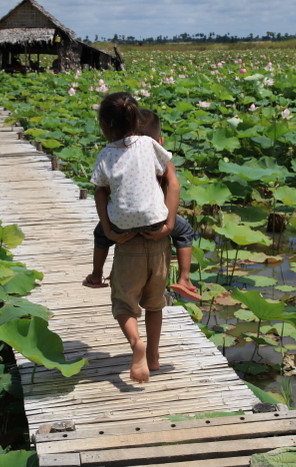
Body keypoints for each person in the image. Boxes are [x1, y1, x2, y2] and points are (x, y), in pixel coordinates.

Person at [89, 92, 172, 383]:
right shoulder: (150, 144)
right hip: (159, 234)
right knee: (155, 302)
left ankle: (137, 344)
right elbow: (169, 178)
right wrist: (170, 221)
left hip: (126, 240)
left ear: (104, 126)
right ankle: (154, 356)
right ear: (136, 120)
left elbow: (99, 190)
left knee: (124, 305)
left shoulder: (105, 154)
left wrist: (109, 229)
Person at [83, 108, 201, 301]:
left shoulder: (116, 156)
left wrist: (107, 227)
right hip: (156, 219)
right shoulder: (157, 156)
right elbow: (173, 186)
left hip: (120, 223)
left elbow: (101, 191)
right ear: (158, 143)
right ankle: (184, 278)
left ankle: (97, 274)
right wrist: (169, 225)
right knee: (185, 231)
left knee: (101, 235)